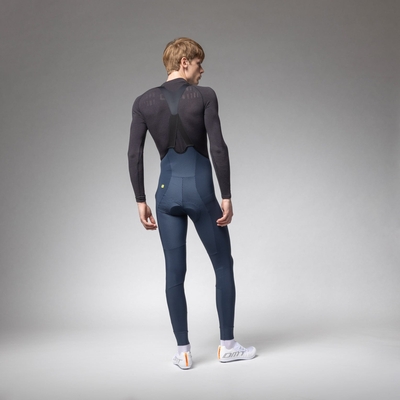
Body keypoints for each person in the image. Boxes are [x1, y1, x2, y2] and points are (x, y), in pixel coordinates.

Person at [128, 37, 256, 369]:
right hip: (200, 192)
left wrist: (140, 200)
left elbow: (134, 154)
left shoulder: (143, 102)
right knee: (223, 264)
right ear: (184, 62)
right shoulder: (205, 96)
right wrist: (226, 195)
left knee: (174, 271)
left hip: (165, 195)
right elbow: (218, 147)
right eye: (199, 63)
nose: (202, 70)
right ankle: (227, 345)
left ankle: (183, 352)